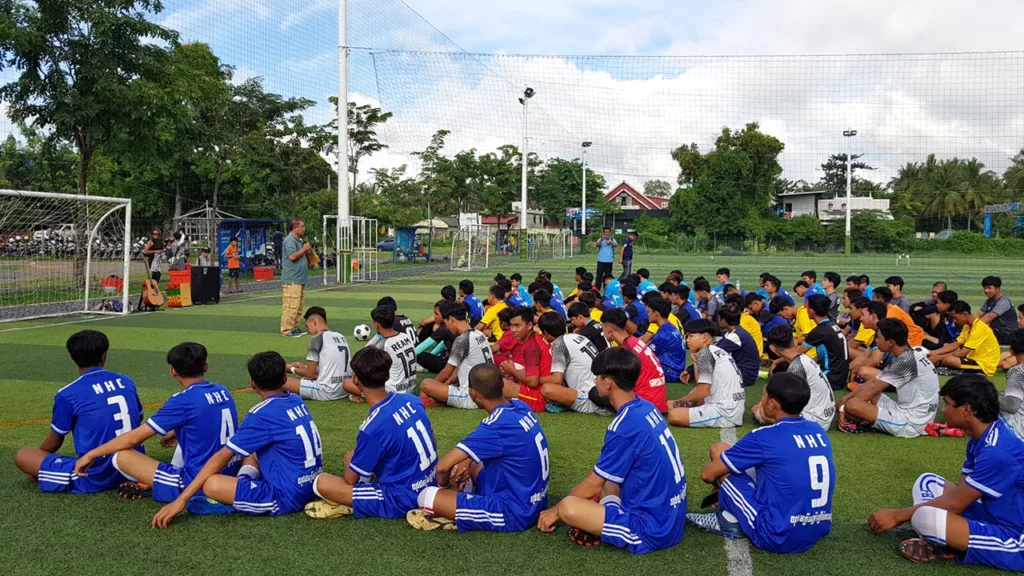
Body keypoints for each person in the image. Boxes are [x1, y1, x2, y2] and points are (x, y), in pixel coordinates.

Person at [536, 348, 686, 555]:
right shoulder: (646, 407)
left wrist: (555, 511)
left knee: (569, 506)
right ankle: (606, 514)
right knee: (607, 476)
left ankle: (606, 521)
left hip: (652, 528)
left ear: (608, 383)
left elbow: (593, 485)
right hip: (671, 512)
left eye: (598, 377)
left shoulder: (624, 425)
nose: (595, 381)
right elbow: (601, 476)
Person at [868, 375, 1024, 571]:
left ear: (967, 409)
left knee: (923, 518)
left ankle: (946, 543)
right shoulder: (981, 436)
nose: (944, 410)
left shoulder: (997, 452)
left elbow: (955, 503)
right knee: (927, 482)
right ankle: (947, 538)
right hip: (991, 513)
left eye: (947, 404)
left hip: (1016, 535)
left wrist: (897, 515)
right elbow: (960, 493)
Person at [151, 351, 322, 527]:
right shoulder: (295, 400)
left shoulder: (261, 413)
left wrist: (181, 499)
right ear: (285, 379)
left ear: (252, 383)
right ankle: (243, 483)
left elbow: (222, 456)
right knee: (250, 449)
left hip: (286, 497)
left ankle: (229, 504)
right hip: (311, 484)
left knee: (211, 484)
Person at [72, 343, 239, 507]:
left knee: (121, 456)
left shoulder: (182, 401)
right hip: (231, 472)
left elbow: (133, 439)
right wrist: (175, 430)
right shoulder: (222, 390)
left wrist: (91, 454)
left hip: (199, 480)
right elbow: (205, 419)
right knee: (185, 434)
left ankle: (168, 485)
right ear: (206, 367)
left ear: (173, 371)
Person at [688, 371, 835, 553]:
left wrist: (719, 486)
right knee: (722, 450)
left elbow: (707, 474)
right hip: (817, 528)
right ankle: (732, 503)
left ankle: (730, 519)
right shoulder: (818, 431)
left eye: (764, 394)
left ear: (773, 403)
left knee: (721, 465)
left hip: (777, 535)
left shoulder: (764, 437)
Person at [409, 363, 549, 532]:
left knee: (427, 496)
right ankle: (461, 500)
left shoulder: (495, 426)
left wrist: (444, 487)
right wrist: (467, 461)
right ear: (502, 385)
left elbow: (442, 467)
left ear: (473, 393)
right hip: (535, 499)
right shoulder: (520, 406)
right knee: (470, 462)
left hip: (514, 512)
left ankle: (458, 507)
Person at [304, 347, 437, 522]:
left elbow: (350, 479)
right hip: (431, 481)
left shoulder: (372, 427)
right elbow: (433, 437)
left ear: (356, 379)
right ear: (387, 376)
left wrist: (348, 462)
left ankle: (356, 503)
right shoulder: (412, 400)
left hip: (401, 498)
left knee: (322, 483)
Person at [14, 330, 145, 495]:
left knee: (24, 454)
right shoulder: (126, 381)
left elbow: (55, 441)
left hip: (96, 474)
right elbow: (139, 417)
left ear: (71, 357)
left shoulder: (68, 393)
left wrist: (39, 462)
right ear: (104, 355)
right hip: (137, 467)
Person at [838, 318, 939, 438]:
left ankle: (863, 420)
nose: (876, 340)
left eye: (879, 337)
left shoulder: (905, 361)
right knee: (861, 389)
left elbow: (872, 390)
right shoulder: (909, 355)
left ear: (890, 342)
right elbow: (873, 384)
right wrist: (843, 400)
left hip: (912, 422)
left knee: (853, 405)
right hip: (908, 411)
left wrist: (843, 408)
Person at [668, 319, 744, 428]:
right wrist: (695, 362)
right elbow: (701, 384)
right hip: (732, 406)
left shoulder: (705, 355)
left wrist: (677, 402)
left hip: (725, 412)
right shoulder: (715, 350)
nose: (687, 340)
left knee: (674, 414)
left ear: (704, 338)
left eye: (691, 336)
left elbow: (703, 391)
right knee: (692, 395)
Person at [420, 301, 495, 409]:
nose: (447, 328)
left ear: (451, 320)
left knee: (426, 384)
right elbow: (454, 372)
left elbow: (446, 373)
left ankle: (432, 399)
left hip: (471, 397)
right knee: (444, 383)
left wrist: (427, 391)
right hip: (487, 392)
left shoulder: (462, 340)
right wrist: (447, 383)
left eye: (446, 324)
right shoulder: (479, 334)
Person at [757, 326, 836, 429]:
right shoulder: (805, 359)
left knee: (760, 412)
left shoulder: (796, 367)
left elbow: (789, 402)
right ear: (795, 341)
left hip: (816, 421)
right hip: (825, 413)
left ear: (772, 349)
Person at [537, 312, 608, 415]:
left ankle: (565, 403)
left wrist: (535, 379)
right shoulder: (578, 336)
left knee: (547, 389)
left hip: (590, 397)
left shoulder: (558, 344)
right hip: (601, 388)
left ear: (545, 333)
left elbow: (556, 380)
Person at [601, 308, 668, 413]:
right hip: (658, 401)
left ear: (608, 330)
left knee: (598, 392)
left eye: (603, 327)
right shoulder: (635, 341)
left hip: (645, 403)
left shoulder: (627, 350)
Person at [344, 306, 418, 398]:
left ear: (377, 324)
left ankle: (369, 395)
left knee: (347, 383)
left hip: (393, 393)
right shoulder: (405, 336)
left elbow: (361, 359)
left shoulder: (385, 344)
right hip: (411, 389)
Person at [284, 307, 352, 401]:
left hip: (328, 391)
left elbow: (309, 374)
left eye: (308, 326)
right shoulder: (341, 336)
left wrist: (291, 368)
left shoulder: (317, 338)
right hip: (345, 388)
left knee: (282, 382)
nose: (308, 331)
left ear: (314, 322)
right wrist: (304, 366)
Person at [499, 306, 552, 412]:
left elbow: (532, 382)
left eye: (517, 326)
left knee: (499, 385)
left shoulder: (531, 347)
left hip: (540, 398)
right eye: (511, 325)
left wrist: (511, 370)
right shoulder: (536, 338)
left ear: (529, 325)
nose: (513, 330)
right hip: (544, 390)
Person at [928, 301, 1001, 377]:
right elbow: (955, 345)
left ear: (964, 314)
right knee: (948, 356)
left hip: (984, 364)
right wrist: (933, 353)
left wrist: (939, 357)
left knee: (949, 359)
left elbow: (963, 352)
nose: (954, 321)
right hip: (973, 359)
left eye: (955, 318)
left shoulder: (980, 329)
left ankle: (959, 371)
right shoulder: (967, 326)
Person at [802, 294, 850, 391]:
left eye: (808, 308)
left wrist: (777, 360)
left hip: (830, 379)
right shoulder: (833, 326)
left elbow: (795, 355)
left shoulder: (819, 331)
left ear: (811, 311)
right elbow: (824, 354)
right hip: (840, 379)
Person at [716, 301, 760, 387]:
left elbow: (713, 352)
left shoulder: (736, 336)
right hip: (746, 372)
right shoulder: (735, 332)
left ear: (724, 320)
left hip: (745, 376)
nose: (717, 321)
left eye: (718, 318)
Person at [281, 219, 313, 337]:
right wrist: (304, 249)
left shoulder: (298, 241)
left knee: (298, 306)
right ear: (295, 228)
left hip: (300, 278)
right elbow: (292, 256)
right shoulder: (289, 240)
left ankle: (294, 327)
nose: (304, 229)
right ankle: (287, 329)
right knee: (291, 305)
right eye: (302, 226)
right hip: (292, 279)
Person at [645, 297, 688, 384]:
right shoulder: (670, 326)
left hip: (669, 372)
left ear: (656, 313)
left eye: (649, 312)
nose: (647, 315)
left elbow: (646, 354)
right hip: (676, 369)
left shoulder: (663, 335)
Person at [979, 275, 1017, 344]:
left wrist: (972, 325)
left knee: (979, 331)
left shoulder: (1004, 302)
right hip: (997, 332)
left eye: (989, 288)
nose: (986, 291)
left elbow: (988, 318)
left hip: (1008, 334)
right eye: (984, 288)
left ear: (997, 288)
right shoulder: (989, 300)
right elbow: (978, 314)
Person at [1002, 330, 1024, 439]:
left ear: (1011, 350)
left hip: (1020, 432)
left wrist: (987, 391)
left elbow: (1011, 406)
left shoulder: (1018, 371)